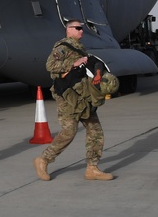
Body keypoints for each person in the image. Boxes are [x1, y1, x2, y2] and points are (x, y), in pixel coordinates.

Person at [34, 20, 114, 181]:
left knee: (95, 131)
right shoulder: (62, 47)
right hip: (67, 97)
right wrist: (73, 63)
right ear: (68, 30)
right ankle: (43, 160)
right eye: (77, 28)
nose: (81, 31)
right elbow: (50, 65)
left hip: (82, 95)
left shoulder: (79, 47)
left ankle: (92, 168)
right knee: (69, 131)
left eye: (82, 28)